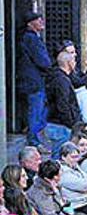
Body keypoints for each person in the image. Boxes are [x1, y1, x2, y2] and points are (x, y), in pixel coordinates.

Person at [19, 12, 52, 146]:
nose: (41, 22)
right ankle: (33, 140)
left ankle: (33, 135)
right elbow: (42, 61)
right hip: (34, 80)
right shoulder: (31, 39)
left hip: (33, 79)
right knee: (36, 112)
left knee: (38, 110)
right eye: (38, 20)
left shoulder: (30, 38)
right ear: (30, 23)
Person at [44, 52, 81, 156]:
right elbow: (63, 105)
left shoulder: (57, 78)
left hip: (56, 123)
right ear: (69, 63)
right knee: (59, 156)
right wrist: (70, 123)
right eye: (73, 60)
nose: (75, 63)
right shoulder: (62, 81)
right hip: (61, 125)